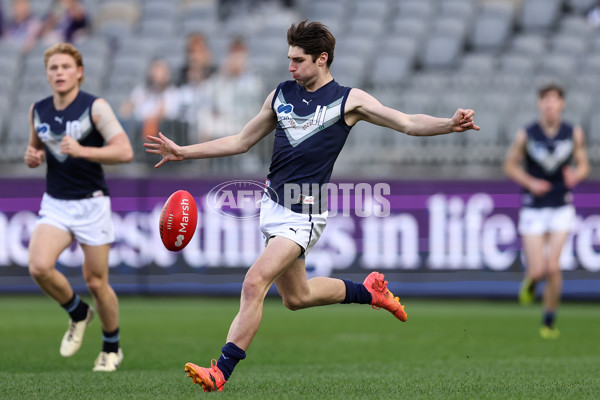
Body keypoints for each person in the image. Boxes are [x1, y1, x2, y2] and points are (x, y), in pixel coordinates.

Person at [145, 20, 479, 392]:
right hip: (272, 208)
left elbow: (407, 123)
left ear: (322, 59)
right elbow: (241, 141)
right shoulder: (280, 95)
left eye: (298, 60)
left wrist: (449, 124)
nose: (290, 66)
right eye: (289, 59)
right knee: (296, 297)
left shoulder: (349, 100)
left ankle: (220, 371)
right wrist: (182, 152)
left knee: (255, 282)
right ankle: (369, 291)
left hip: (304, 213)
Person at [24, 42, 133, 371]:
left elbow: (124, 151)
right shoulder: (38, 110)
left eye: (65, 67)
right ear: (47, 75)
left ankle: (111, 347)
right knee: (39, 267)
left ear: (79, 72)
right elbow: (36, 149)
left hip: (91, 204)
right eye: (53, 68)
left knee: (97, 282)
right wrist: (33, 157)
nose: (59, 73)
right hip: (56, 202)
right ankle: (77, 312)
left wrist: (84, 151)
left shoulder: (94, 107)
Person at [503, 84, 590, 339]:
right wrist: (530, 183)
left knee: (554, 267)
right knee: (539, 269)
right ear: (540, 104)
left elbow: (583, 164)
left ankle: (549, 321)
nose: (550, 105)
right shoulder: (527, 134)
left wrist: (576, 175)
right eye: (546, 101)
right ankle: (531, 280)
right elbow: (509, 165)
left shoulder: (572, 133)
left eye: (555, 101)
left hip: (561, 205)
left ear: (562, 104)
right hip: (534, 208)